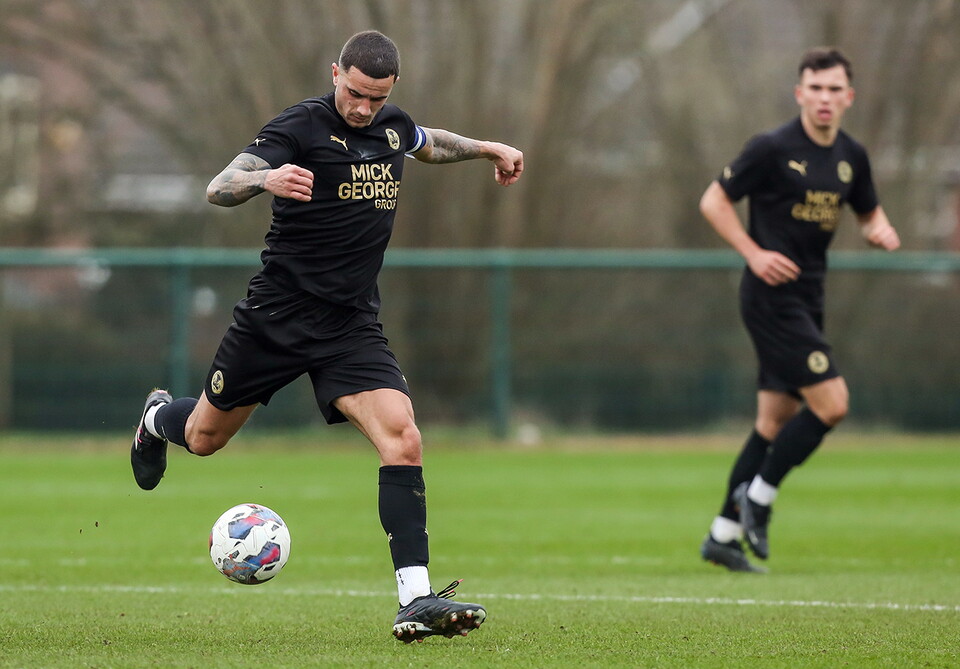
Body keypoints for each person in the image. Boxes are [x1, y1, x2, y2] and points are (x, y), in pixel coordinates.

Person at [130, 30, 523, 641]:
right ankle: (158, 419)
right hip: (276, 319)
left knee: (404, 439)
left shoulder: (392, 126)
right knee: (204, 439)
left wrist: (485, 148)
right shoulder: (299, 128)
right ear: (335, 72)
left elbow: (429, 144)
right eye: (357, 93)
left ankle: (414, 599)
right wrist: (265, 181)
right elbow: (219, 186)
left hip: (350, 327)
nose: (364, 108)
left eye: (377, 97)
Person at [697, 47, 900, 573]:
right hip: (770, 298)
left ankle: (722, 534)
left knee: (774, 420)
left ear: (849, 97)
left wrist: (878, 229)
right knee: (832, 404)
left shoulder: (852, 156)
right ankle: (758, 498)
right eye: (816, 88)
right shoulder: (771, 148)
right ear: (800, 93)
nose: (825, 98)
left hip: (810, 297)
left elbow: (870, 212)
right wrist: (754, 253)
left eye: (835, 89)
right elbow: (713, 201)